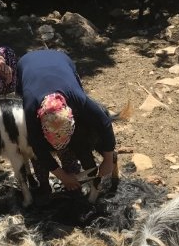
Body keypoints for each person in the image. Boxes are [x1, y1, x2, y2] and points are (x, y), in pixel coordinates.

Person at [16, 49, 116, 194]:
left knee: (75, 140)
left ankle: (71, 168)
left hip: (61, 60)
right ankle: (44, 184)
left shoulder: (77, 98)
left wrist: (107, 159)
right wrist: (62, 177)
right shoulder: (30, 108)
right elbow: (37, 145)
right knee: (34, 147)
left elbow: (104, 122)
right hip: (26, 63)